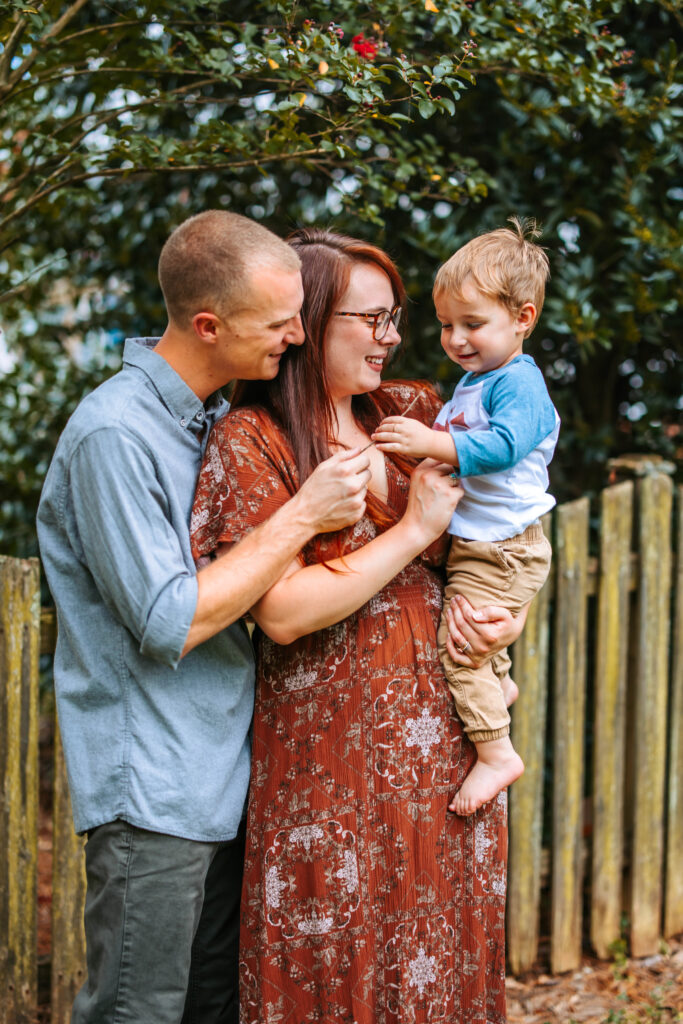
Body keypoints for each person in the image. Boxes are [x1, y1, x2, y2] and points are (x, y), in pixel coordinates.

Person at [36, 210, 378, 1024]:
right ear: (206, 325)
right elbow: (170, 620)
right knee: (138, 1011)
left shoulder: (212, 426)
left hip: (224, 779)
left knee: (211, 1008)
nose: (298, 336)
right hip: (151, 789)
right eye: (279, 320)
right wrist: (299, 517)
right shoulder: (115, 436)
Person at [190, 227, 528, 1023]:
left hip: (447, 753)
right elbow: (280, 612)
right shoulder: (255, 441)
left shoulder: (415, 412)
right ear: (308, 322)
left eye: (394, 318)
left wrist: (498, 618)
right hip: (326, 762)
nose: (392, 338)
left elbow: (499, 530)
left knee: (440, 959)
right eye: (370, 320)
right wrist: (410, 533)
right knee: (329, 965)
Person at [372, 219, 560, 817]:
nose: (455, 338)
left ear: (523, 318)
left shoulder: (519, 385)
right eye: (448, 324)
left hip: (504, 546)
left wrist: (431, 446)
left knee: (459, 649)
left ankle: (497, 752)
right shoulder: (477, 380)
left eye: (472, 324)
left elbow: (502, 446)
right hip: (487, 543)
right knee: (474, 636)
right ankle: (497, 682)